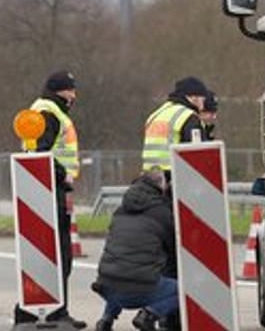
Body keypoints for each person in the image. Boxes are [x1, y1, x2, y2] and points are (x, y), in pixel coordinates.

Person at [15, 70, 87, 329]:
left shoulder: (44, 110)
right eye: (71, 90)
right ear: (61, 91)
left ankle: (37, 311)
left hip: (46, 190)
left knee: (45, 254)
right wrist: (63, 175)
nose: (74, 95)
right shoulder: (49, 112)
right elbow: (39, 153)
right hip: (50, 190)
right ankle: (52, 313)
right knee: (58, 254)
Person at [92, 170, 178, 331]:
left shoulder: (120, 210)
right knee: (183, 291)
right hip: (139, 291)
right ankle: (149, 314)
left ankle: (105, 320)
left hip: (105, 287)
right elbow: (173, 249)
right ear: (161, 187)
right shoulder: (162, 212)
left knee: (120, 271)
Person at [141, 77, 209, 173]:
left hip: (149, 177)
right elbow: (199, 156)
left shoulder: (156, 115)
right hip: (174, 178)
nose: (204, 102)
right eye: (203, 98)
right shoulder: (189, 117)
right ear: (193, 97)